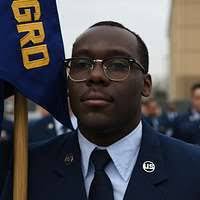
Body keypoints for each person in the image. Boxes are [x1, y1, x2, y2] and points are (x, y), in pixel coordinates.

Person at [2, 21, 200, 200]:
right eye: (81, 64)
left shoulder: (192, 169)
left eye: (117, 65)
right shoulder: (30, 167)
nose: (96, 76)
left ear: (146, 85)